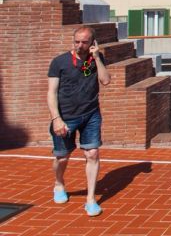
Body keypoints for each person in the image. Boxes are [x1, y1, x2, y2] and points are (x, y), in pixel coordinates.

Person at [48, 26, 111, 217]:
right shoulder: (60, 62)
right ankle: (59, 183)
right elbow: (51, 92)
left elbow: (106, 81)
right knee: (62, 157)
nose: (79, 45)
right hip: (65, 117)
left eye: (84, 42)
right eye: (76, 41)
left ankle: (90, 199)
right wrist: (56, 119)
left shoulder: (94, 60)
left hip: (90, 114)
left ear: (92, 43)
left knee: (92, 153)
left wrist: (98, 58)